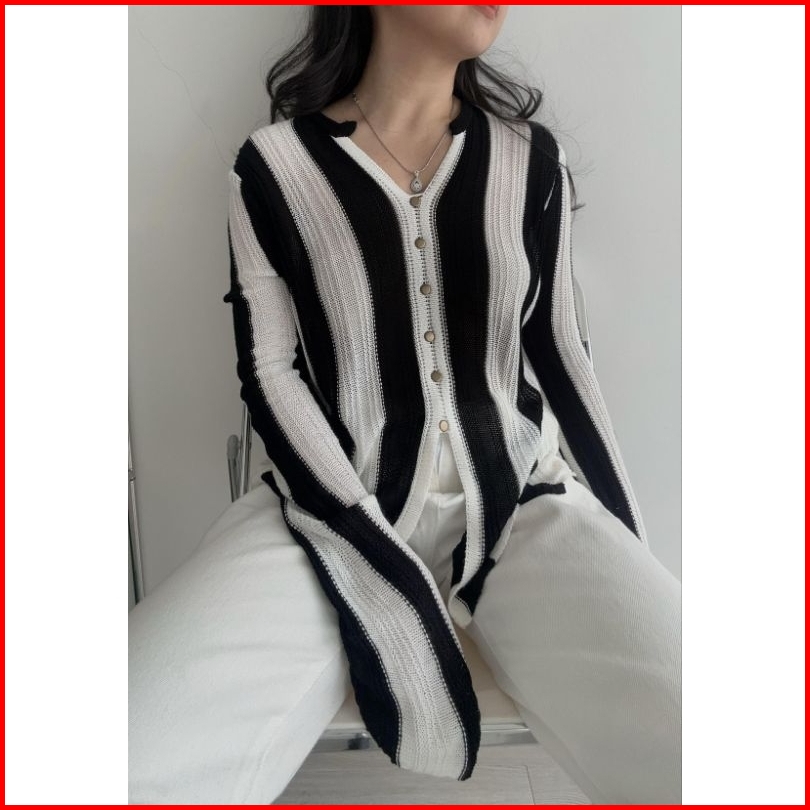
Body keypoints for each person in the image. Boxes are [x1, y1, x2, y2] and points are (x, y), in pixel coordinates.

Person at [129, 5, 681, 804]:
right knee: (132, 748)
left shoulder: (529, 162)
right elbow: (270, 373)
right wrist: (365, 545)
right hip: (320, 513)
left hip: (519, 509)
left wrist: (627, 556)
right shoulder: (274, 168)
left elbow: (562, 355)